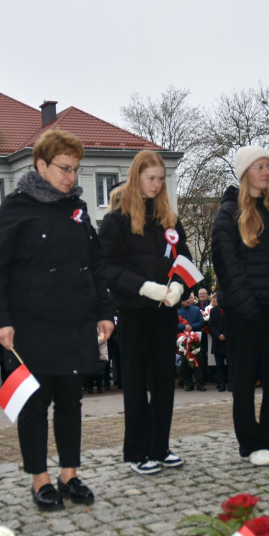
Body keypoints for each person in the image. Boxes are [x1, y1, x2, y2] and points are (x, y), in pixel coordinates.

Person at [0, 129, 114, 511]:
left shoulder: (77, 209)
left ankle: (69, 474)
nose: (71, 177)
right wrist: (1, 319)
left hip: (75, 319)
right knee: (36, 403)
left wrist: (105, 311)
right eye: (63, 168)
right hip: (31, 323)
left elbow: (94, 264)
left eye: (75, 169)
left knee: (71, 402)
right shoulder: (16, 207)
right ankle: (39, 478)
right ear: (40, 164)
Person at [211, 146, 269, 466]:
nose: (266, 171)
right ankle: (251, 443)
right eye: (259, 166)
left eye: (268, 166)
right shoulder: (228, 214)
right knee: (245, 378)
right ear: (244, 172)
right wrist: (247, 306)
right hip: (245, 313)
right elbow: (227, 266)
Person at [98, 149, 189, 475]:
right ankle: (137, 452)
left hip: (165, 313)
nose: (157, 184)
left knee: (164, 381)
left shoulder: (169, 220)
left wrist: (180, 287)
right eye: (151, 178)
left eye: (161, 179)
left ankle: (160, 447)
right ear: (136, 177)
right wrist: (142, 286)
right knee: (136, 383)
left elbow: (186, 264)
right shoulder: (117, 220)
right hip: (134, 312)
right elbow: (106, 267)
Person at [177, 296, 206, 391]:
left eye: (189, 299)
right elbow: (174, 324)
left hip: (195, 339)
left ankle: (200, 383)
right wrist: (184, 326)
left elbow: (202, 322)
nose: (188, 301)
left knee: (198, 361)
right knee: (185, 362)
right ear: (181, 300)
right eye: (186, 299)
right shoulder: (177, 310)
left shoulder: (196, 309)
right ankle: (188, 383)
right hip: (183, 340)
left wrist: (191, 327)